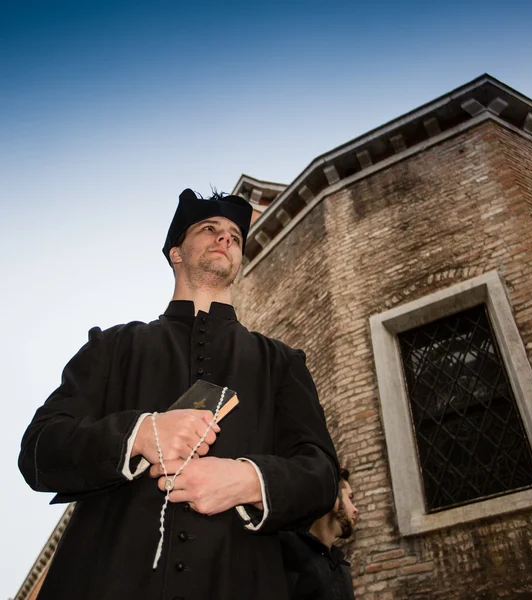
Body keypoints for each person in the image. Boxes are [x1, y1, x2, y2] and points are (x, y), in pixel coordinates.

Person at [19, 188, 339, 600]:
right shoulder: (112, 347)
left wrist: (247, 480)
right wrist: (139, 433)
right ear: (176, 252)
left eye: (235, 237)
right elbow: (39, 449)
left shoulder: (281, 362)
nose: (226, 238)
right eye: (210, 228)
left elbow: (322, 475)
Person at [280, 468, 358, 600]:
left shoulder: (340, 567)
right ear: (333, 498)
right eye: (349, 498)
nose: (355, 509)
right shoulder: (290, 555)